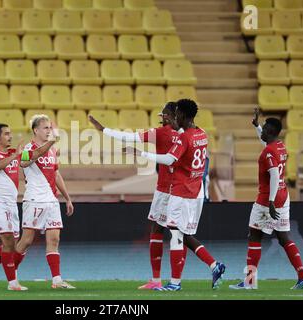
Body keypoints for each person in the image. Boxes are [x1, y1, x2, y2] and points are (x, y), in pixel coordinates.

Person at [126, 99, 226, 291]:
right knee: (182, 234)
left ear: (183, 115)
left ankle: (175, 283)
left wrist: (142, 154)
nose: (174, 116)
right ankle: (214, 265)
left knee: (176, 234)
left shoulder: (185, 137)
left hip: (183, 191)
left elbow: (170, 159)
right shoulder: (202, 134)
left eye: (177, 113)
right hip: (195, 191)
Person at [89, 102, 186, 290]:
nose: (162, 117)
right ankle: (178, 278)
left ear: (172, 116)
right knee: (180, 235)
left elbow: (130, 137)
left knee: (159, 231)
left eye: (165, 114)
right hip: (183, 190)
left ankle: (159, 280)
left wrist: (104, 130)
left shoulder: (161, 132)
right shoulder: (188, 135)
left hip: (165, 189)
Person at [229, 108, 303, 290]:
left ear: (271, 132)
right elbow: (267, 145)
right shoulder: (279, 146)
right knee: (283, 238)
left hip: (268, 199)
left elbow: (273, 175)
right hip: (283, 195)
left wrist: (271, 201)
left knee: (254, 236)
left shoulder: (268, 153)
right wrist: (257, 125)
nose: (262, 131)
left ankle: (249, 282)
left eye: (265, 129)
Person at [0, 123, 56, 291]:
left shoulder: (15, 153)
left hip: (11, 205)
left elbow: (37, 153)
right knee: (9, 241)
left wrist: (52, 141)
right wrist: (15, 155)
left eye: (10, 134)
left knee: (10, 245)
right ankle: (12, 283)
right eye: (6, 134)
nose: (10, 137)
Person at [15, 114, 75, 289]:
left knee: (54, 239)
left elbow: (56, 174)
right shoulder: (28, 147)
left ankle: (56, 280)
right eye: (45, 128)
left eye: (50, 127)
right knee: (26, 240)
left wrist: (68, 198)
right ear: (36, 130)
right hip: (34, 199)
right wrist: (46, 146)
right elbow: (24, 163)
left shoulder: (52, 150)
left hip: (51, 200)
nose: (49, 130)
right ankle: (12, 275)